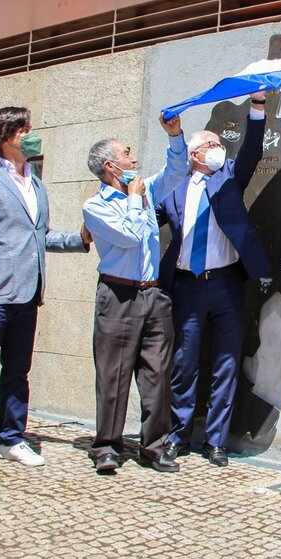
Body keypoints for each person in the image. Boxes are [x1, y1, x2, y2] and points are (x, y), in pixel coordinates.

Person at [0, 107, 91, 476]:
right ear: (3, 137)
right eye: (25, 129)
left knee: (18, 371)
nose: (32, 134)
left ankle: (12, 437)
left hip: (28, 295)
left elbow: (39, 237)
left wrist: (79, 239)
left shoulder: (37, 183)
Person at [158, 93, 271, 467]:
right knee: (185, 363)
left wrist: (257, 107)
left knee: (226, 363)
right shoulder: (173, 188)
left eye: (220, 144)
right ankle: (178, 436)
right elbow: (144, 219)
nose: (219, 149)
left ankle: (216, 441)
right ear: (193, 154)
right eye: (211, 144)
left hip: (227, 285)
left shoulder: (229, 179)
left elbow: (252, 150)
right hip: (188, 286)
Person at [82, 115, 189, 474]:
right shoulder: (95, 207)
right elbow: (128, 237)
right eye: (128, 154)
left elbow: (175, 171)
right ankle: (107, 446)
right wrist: (133, 200)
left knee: (157, 374)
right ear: (111, 165)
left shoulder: (145, 191)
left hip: (153, 294)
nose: (134, 159)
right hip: (118, 294)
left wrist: (175, 136)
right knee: (113, 374)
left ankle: (154, 446)